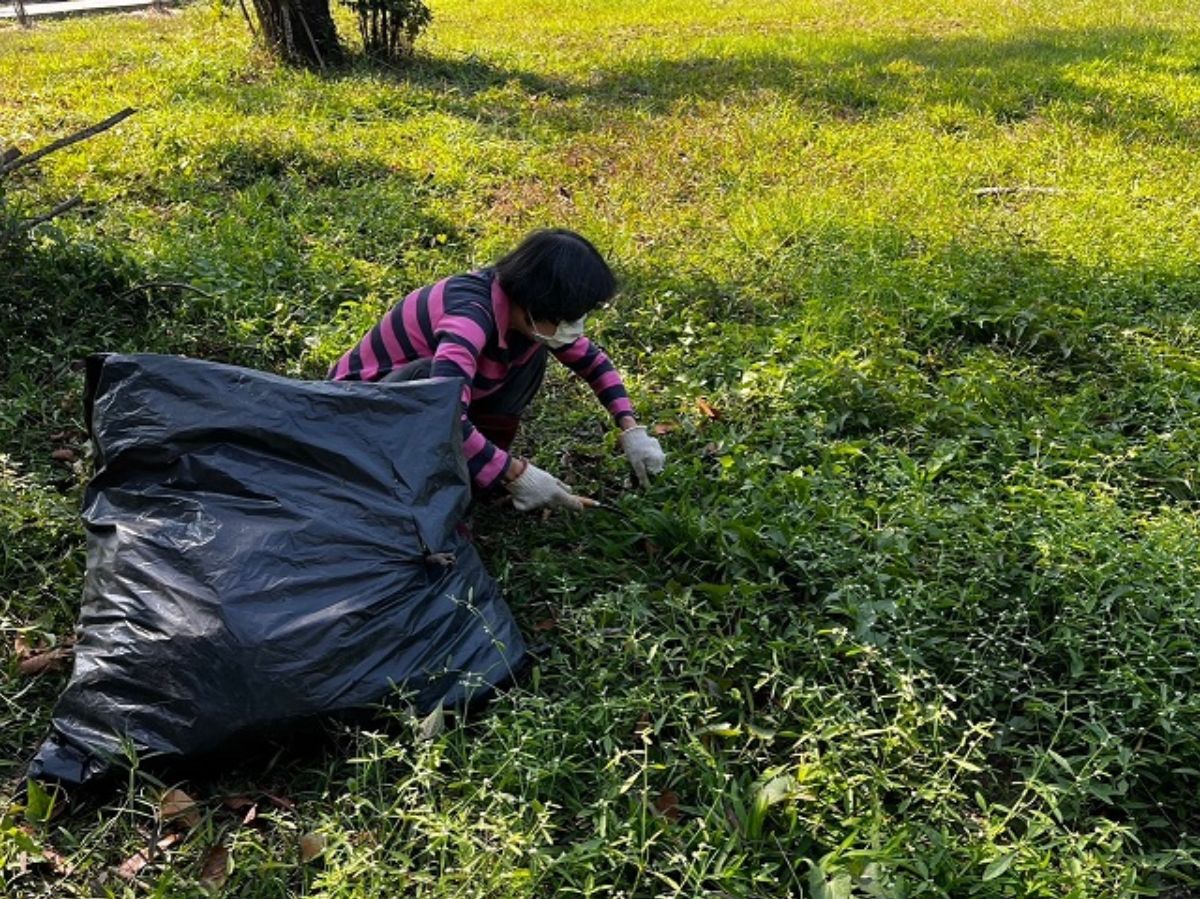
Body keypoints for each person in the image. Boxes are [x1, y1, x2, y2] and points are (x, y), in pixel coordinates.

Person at [328, 228, 665, 511]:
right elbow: (441, 408)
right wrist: (515, 472)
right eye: (569, 317)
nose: (576, 326)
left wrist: (631, 429)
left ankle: (472, 471)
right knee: (429, 379)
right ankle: (414, 478)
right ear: (536, 307)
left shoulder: (522, 314)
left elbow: (593, 361)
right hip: (359, 416)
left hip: (429, 407)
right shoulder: (468, 316)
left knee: (533, 355)